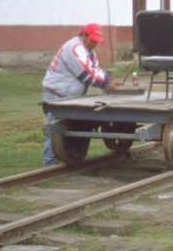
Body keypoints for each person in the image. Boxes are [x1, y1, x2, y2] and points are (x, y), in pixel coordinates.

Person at [41, 23, 121, 166]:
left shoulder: (89, 51)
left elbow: (96, 70)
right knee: (55, 130)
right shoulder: (75, 48)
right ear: (84, 35)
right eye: (92, 39)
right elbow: (86, 75)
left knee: (66, 128)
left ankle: (63, 159)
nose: (95, 43)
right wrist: (106, 82)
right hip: (56, 95)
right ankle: (49, 164)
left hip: (67, 96)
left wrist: (109, 79)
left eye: (97, 40)